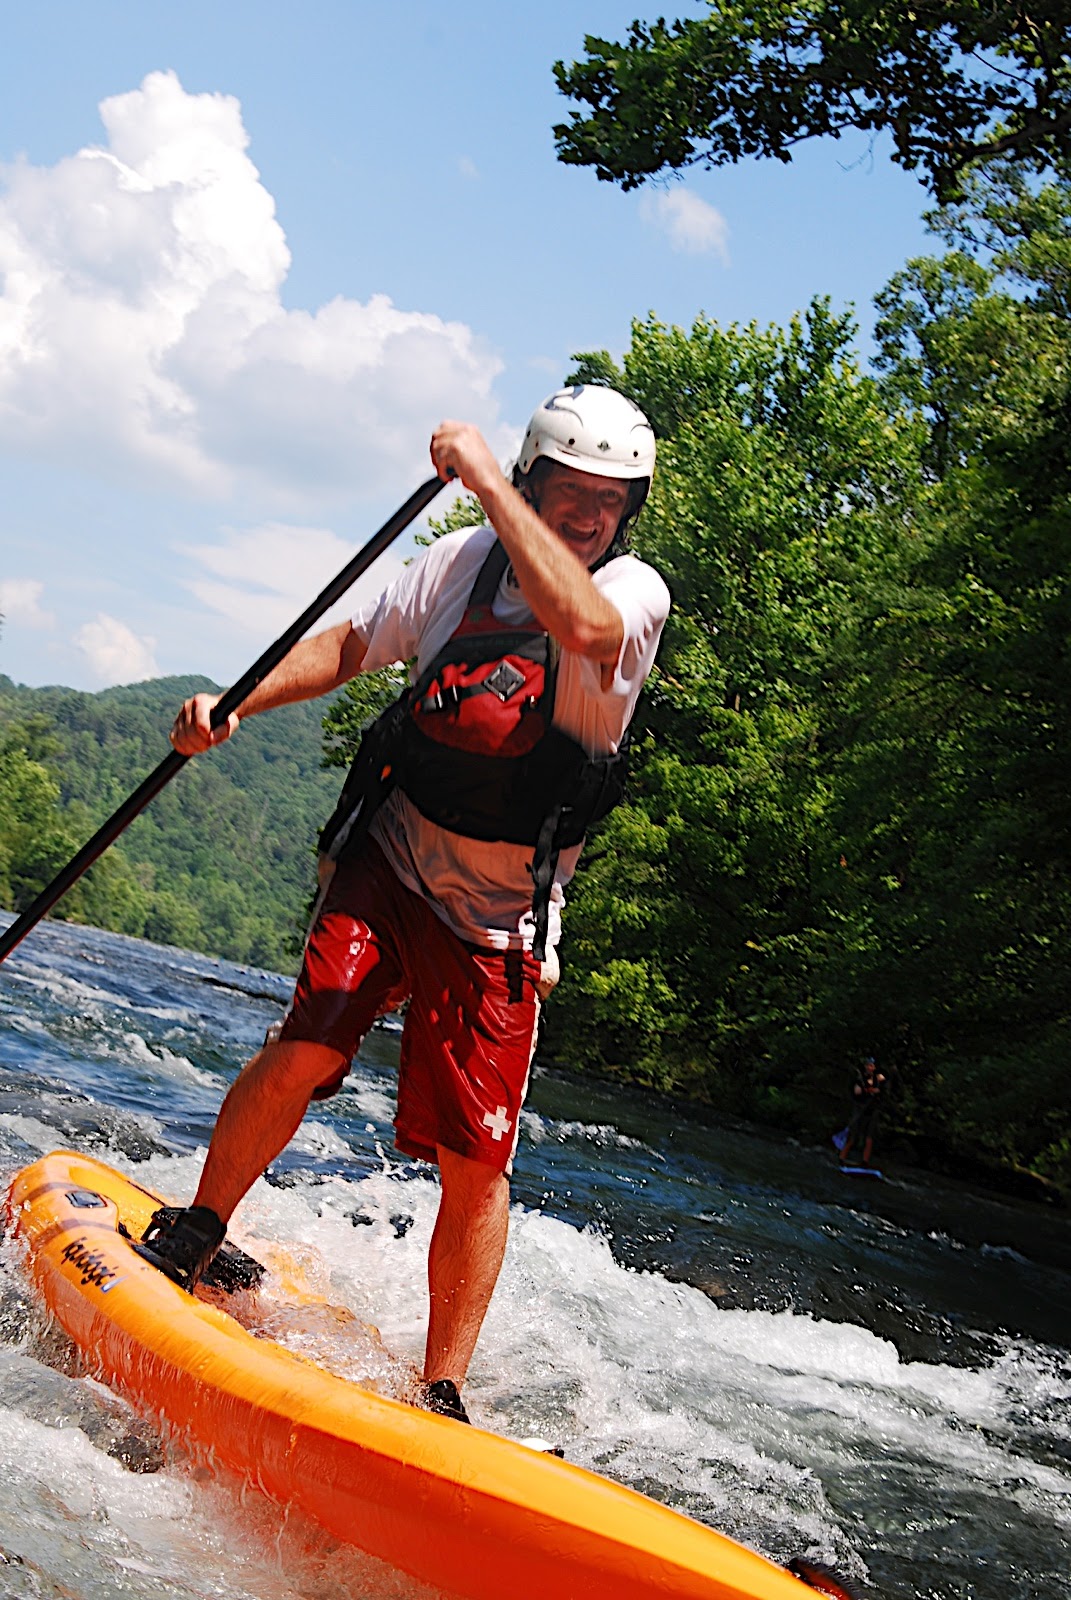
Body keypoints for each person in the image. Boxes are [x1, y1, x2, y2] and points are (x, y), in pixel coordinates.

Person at [136, 385, 670, 1424]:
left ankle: (441, 1387)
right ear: (534, 480)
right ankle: (202, 1222)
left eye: (612, 498)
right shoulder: (463, 562)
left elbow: (578, 616)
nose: (590, 514)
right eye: (570, 489)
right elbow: (352, 645)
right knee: (310, 1045)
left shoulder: (631, 595)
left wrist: (482, 481)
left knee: (477, 1157)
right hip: (392, 851)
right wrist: (236, 705)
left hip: (504, 906)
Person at [837, 1055, 887, 1168]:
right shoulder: (859, 1079)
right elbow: (857, 1091)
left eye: (871, 1066)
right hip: (859, 1109)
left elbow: (880, 1081)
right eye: (868, 1065)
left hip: (872, 1111)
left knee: (869, 1137)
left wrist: (870, 1087)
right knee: (852, 1135)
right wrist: (867, 1088)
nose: (869, 1068)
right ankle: (842, 1158)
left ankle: (865, 1162)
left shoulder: (878, 1077)